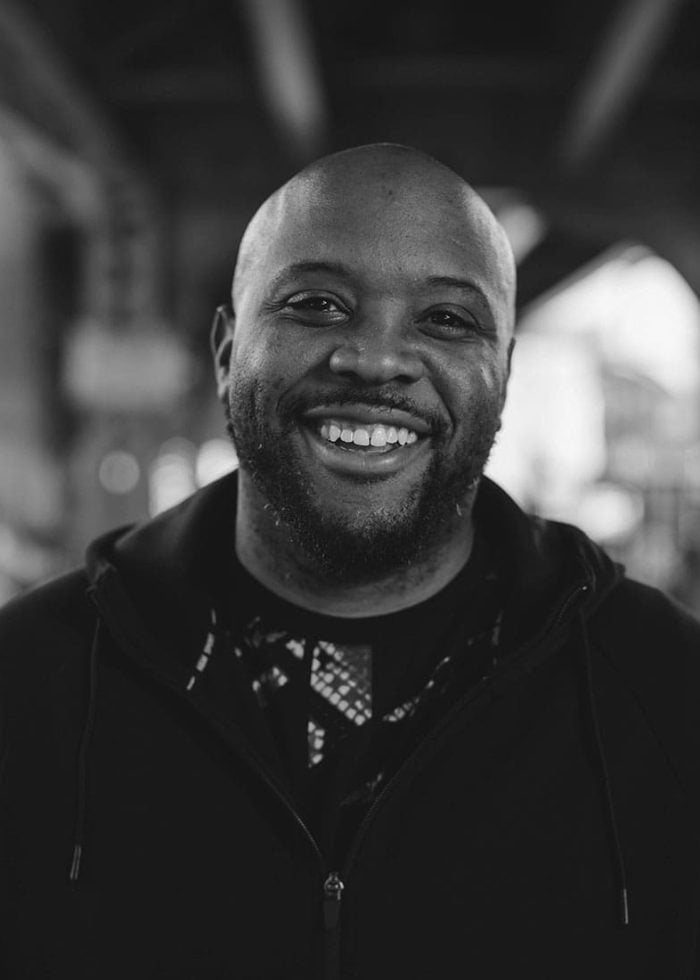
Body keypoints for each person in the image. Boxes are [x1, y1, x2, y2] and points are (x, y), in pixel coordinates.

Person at [0, 143, 699, 980]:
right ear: (227, 354)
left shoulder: (664, 689)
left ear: (503, 377)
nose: (373, 359)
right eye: (316, 304)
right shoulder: (28, 678)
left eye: (446, 319)